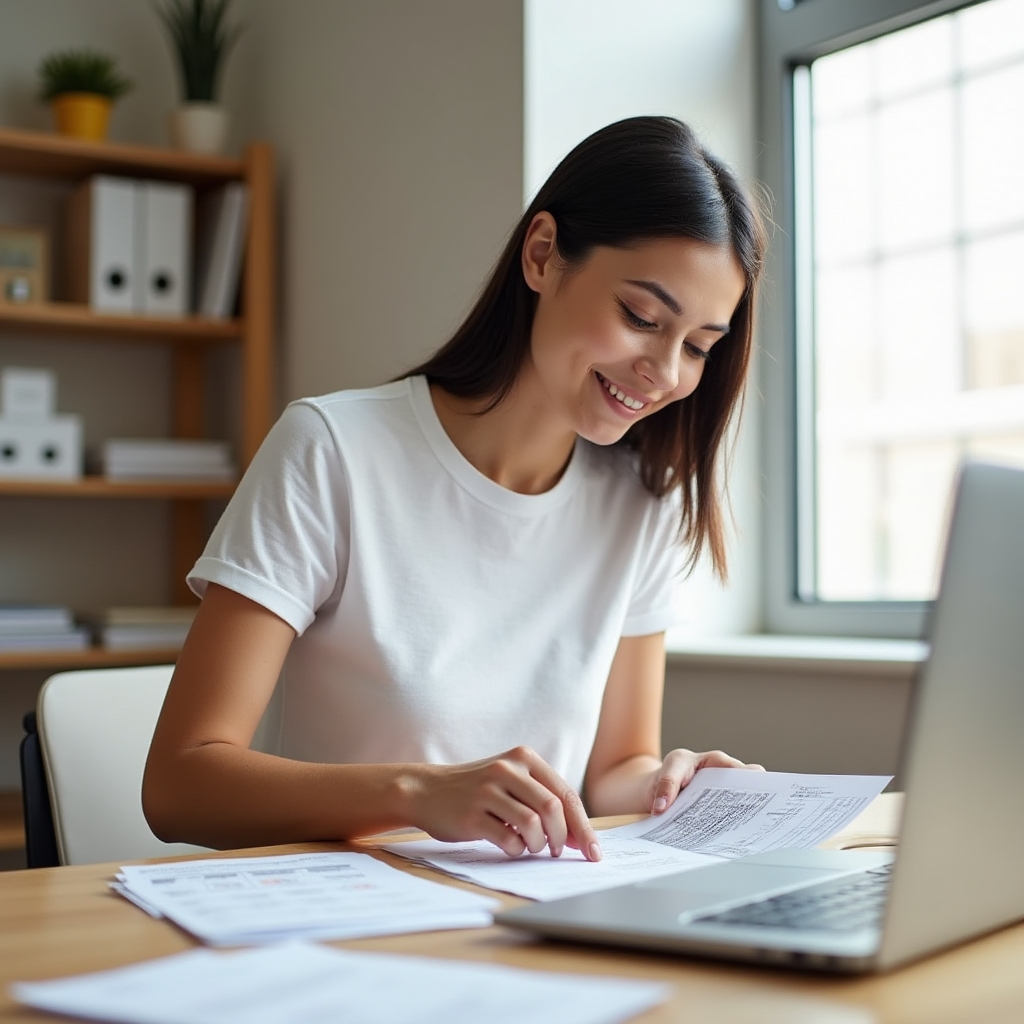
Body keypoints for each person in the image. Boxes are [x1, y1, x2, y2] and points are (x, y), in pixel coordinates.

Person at [143, 115, 768, 862]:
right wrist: (416, 793)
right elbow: (180, 785)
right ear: (543, 256)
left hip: (534, 925)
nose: (666, 373)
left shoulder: (643, 505)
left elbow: (611, 775)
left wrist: (678, 786)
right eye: (641, 317)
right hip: (348, 925)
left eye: (699, 346)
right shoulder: (334, 450)